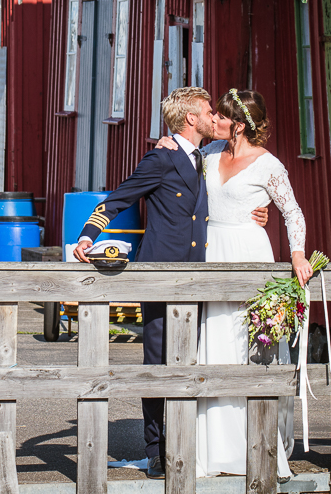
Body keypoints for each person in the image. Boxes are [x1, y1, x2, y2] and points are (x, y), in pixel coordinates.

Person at [73, 86, 268, 479]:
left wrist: (255, 213)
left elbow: (232, 186)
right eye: (209, 111)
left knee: (192, 359)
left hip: (198, 274)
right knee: (158, 362)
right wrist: (87, 234)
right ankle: (157, 448)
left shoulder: (206, 158)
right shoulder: (161, 157)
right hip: (162, 275)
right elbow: (120, 197)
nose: (215, 117)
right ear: (191, 119)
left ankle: (185, 441)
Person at [157, 89, 310, 480]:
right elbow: (179, 168)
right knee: (214, 345)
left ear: (237, 125)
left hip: (248, 252)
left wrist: (296, 255)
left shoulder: (268, 165)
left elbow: (292, 212)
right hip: (210, 252)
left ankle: (255, 445)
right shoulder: (207, 156)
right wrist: (163, 143)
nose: (213, 121)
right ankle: (212, 451)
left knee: (247, 347)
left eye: (220, 117)